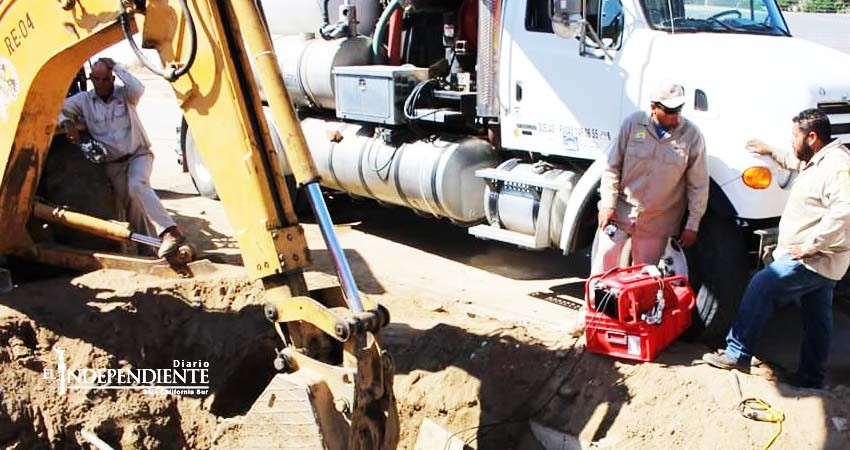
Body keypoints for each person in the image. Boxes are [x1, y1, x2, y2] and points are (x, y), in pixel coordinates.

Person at [702, 109, 850, 389]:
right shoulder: (817, 159)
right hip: (821, 258)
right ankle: (810, 377)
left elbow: (845, 212)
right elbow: (794, 159)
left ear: (812, 137)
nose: (792, 142)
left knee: (762, 285)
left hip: (814, 257)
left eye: (795, 136)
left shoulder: (837, 167)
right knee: (817, 319)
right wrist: (769, 150)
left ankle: (737, 353)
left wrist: (810, 245)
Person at [59, 58, 185, 258]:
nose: (101, 84)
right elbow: (57, 107)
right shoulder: (84, 101)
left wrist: (116, 64)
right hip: (113, 165)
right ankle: (149, 250)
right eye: (97, 79)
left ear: (112, 78)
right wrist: (67, 122)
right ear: (91, 79)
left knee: (137, 185)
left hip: (138, 155)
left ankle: (171, 231)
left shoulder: (126, 95)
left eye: (106, 79)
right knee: (133, 209)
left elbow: (138, 87)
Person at [591, 81, 709, 274]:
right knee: (604, 267)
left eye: (679, 109)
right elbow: (612, 167)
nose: (675, 116)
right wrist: (607, 205)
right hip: (620, 213)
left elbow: (699, 186)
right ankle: (596, 304)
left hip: (657, 222)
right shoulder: (632, 124)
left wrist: (692, 225)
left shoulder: (692, 136)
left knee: (643, 277)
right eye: (670, 111)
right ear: (654, 107)